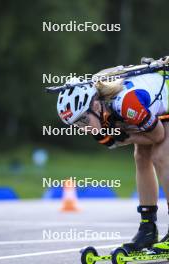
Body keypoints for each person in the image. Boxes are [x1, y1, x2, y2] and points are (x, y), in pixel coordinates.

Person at [57, 57, 169, 250]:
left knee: (160, 155)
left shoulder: (125, 104)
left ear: (95, 105)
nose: (82, 128)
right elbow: (114, 141)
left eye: (83, 121)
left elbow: (157, 136)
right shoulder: (98, 117)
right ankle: (147, 227)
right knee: (141, 155)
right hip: (156, 104)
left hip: (161, 98)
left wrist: (129, 137)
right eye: (76, 124)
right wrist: (127, 137)